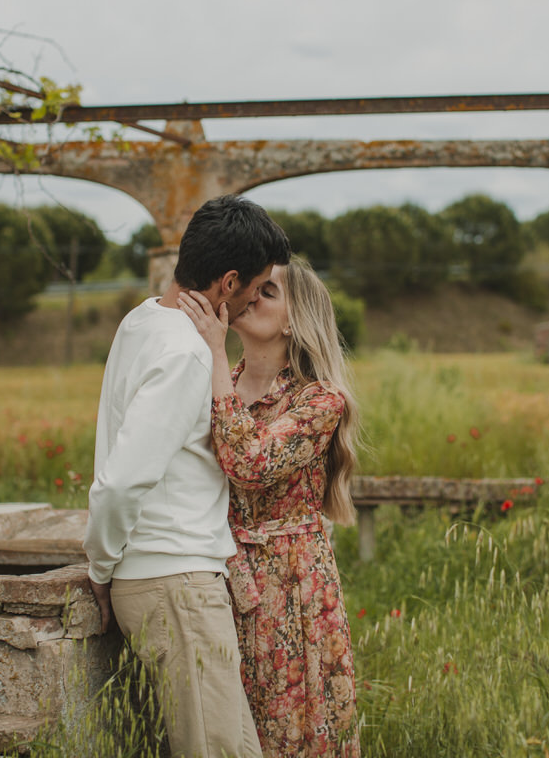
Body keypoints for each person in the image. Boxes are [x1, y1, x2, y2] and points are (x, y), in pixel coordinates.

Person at [83, 194, 290, 758]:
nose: (254, 299)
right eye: (256, 285)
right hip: (176, 583)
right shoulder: (186, 353)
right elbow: (123, 480)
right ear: (227, 283)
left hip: (171, 581)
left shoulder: (142, 320)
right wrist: (101, 565)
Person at [177, 255, 362, 756]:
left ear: (294, 319)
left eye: (269, 292)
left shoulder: (320, 401)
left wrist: (214, 353)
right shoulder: (213, 383)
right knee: (224, 729)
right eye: (253, 286)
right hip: (218, 575)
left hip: (293, 585)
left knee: (290, 729)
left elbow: (250, 466)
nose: (251, 296)